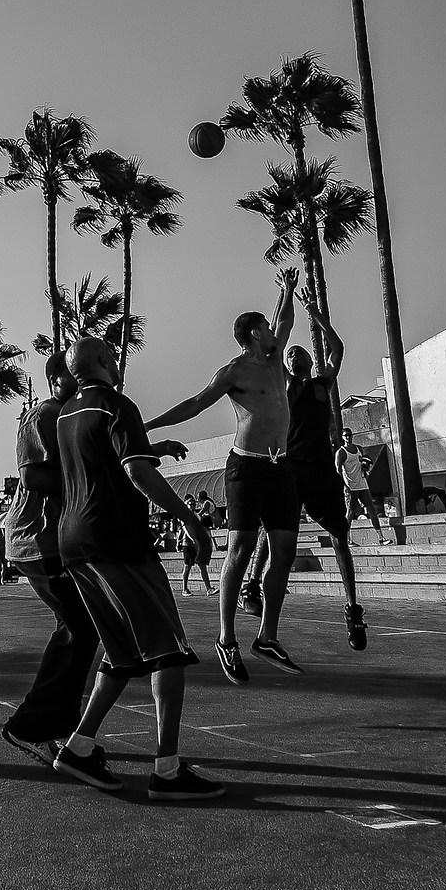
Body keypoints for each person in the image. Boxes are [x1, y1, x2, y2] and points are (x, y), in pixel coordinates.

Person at [48, 338, 221, 801]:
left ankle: (79, 746)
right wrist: (191, 521)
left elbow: (103, 459)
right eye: (113, 355)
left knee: (122, 655)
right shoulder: (116, 404)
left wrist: (150, 446)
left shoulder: (65, 413)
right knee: (167, 649)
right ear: (104, 361)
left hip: (75, 542)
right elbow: (135, 472)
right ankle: (167, 769)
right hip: (116, 540)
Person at [145, 268, 302, 683]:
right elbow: (196, 404)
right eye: (266, 328)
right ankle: (227, 638)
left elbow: (285, 320)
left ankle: (267, 635)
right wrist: (149, 427)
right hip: (246, 466)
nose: (274, 332)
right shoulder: (234, 372)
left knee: (284, 550)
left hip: (280, 464)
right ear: (252, 334)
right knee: (241, 548)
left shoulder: (272, 359)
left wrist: (286, 291)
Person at [0, 353, 98, 767]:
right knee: (80, 625)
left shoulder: (76, 415)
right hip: (36, 539)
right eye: (72, 374)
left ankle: (56, 726)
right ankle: (31, 725)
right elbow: (33, 476)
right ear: (56, 378)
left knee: (83, 627)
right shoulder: (45, 414)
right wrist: (85, 482)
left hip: (58, 540)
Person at [283, 299, 369, 652]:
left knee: (339, 539)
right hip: (293, 468)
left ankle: (352, 609)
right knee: (274, 534)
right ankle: (253, 585)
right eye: (291, 355)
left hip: (321, 470)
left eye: (299, 352)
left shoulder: (322, 384)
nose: (295, 356)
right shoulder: (286, 386)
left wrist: (314, 314)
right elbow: (275, 348)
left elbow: (338, 348)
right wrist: (285, 299)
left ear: (308, 361)